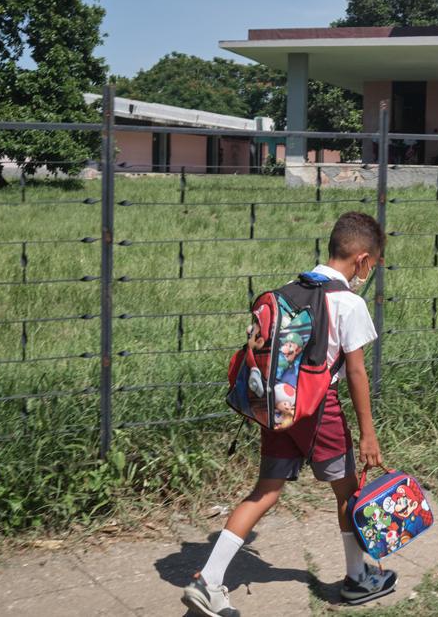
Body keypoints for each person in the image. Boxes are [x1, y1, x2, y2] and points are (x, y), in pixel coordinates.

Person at [182, 212, 394, 616]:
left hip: (277, 407)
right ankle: (357, 577)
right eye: (374, 264)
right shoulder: (348, 303)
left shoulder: (288, 292)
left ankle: (207, 580)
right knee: (348, 493)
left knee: (265, 491)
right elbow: (356, 371)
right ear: (363, 259)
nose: (371, 271)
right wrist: (368, 434)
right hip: (318, 411)